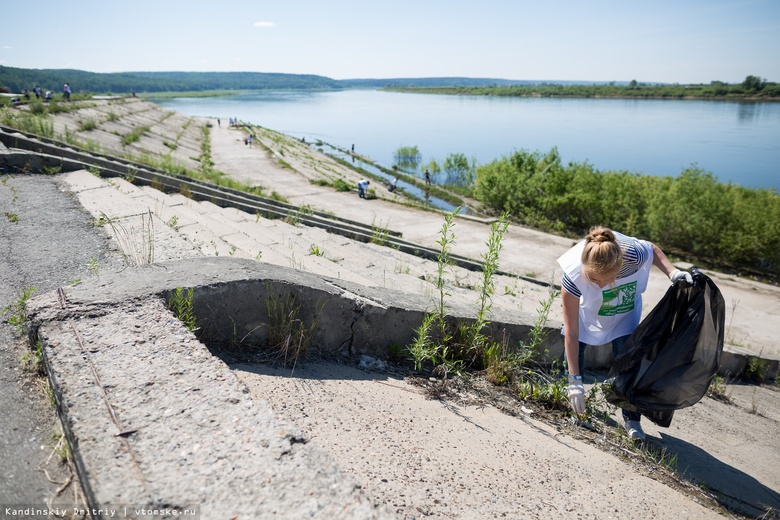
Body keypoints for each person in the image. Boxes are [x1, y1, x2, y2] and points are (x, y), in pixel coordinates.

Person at [558, 226, 692, 441]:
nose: (599, 284)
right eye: (593, 279)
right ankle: (574, 403)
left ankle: (632, 418)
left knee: (629, 360)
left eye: (604, 279)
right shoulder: (573, 276)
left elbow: (652, 249)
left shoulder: (633, 255)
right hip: (587, 312)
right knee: (577, 348)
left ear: (619, 267)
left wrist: (672, 272)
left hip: (623, 310)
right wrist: (574, 381)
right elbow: (572, 333)